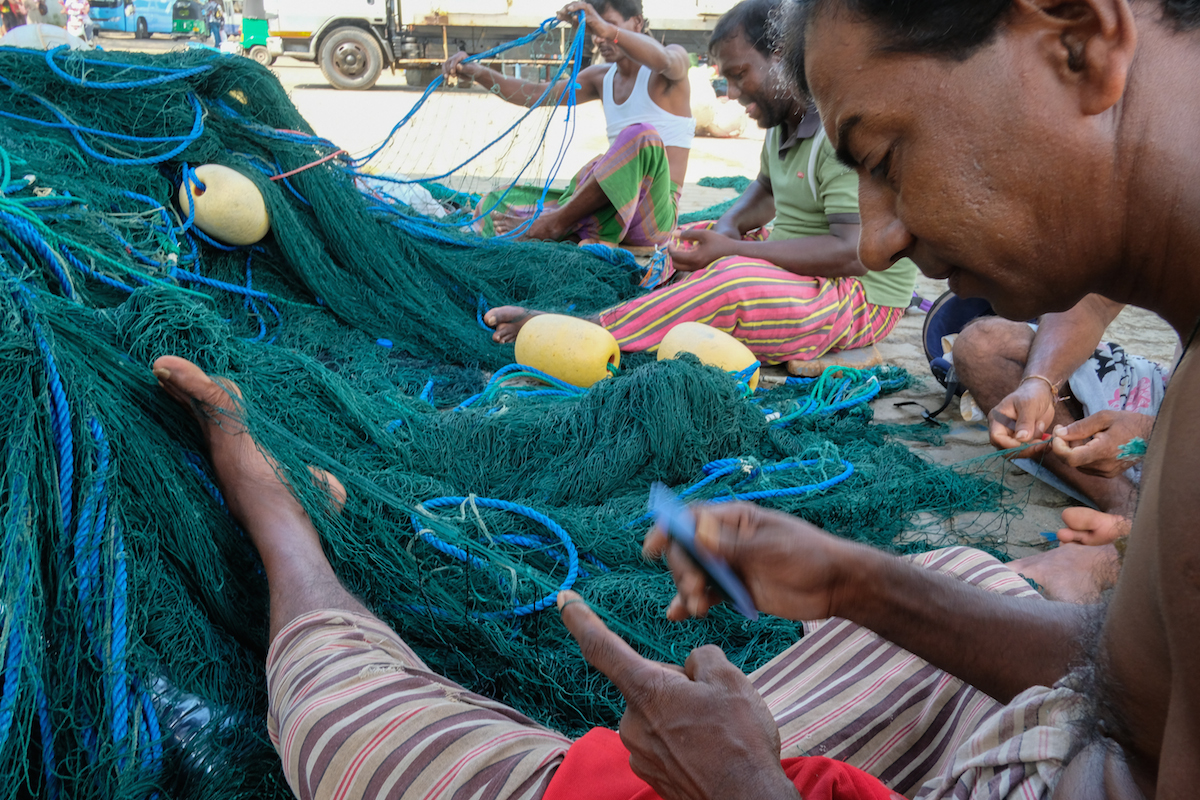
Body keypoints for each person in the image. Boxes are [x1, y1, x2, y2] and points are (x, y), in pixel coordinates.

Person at [155, 0, 1200, 797]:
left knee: (376, 738)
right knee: (964, 570)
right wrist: (858, 582)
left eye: (887, 157)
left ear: (1076, 35)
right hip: (1052, 733)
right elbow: (1136, 691)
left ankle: (290, 546)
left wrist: (741, 784)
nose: (882, 238)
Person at [485, 0, 918, 367]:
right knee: (703, 237)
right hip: (812, 270)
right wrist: (728, 229)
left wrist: (736, 250)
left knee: (732, 279)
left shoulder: (833, 130)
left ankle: (596, 328)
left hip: (859, 297)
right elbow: (764, 191)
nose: (730, 94)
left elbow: (853, 254)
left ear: (783, 58)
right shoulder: (783, 125)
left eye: (739, 74)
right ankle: (654, 305)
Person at [948, 294, 1174, 600]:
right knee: (982, 343)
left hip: (1183, 433)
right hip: (1169, 391)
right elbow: (1093, 304)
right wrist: (1040, 383)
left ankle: (1124, 545)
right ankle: (1125, 505)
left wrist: (1151, 434)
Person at [442, 0, 693, 247]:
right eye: (595, 31)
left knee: (641, 135)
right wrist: (478, 72)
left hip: (653, 219)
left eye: (609, 25)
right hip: (614, 206)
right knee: (496, 203)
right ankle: (577, 230)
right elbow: (534, 93)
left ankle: (556, 225)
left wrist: (607, 31)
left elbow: (667, 61)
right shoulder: (601, 78)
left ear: (637, 22)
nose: (598, 38)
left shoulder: (670, 67)